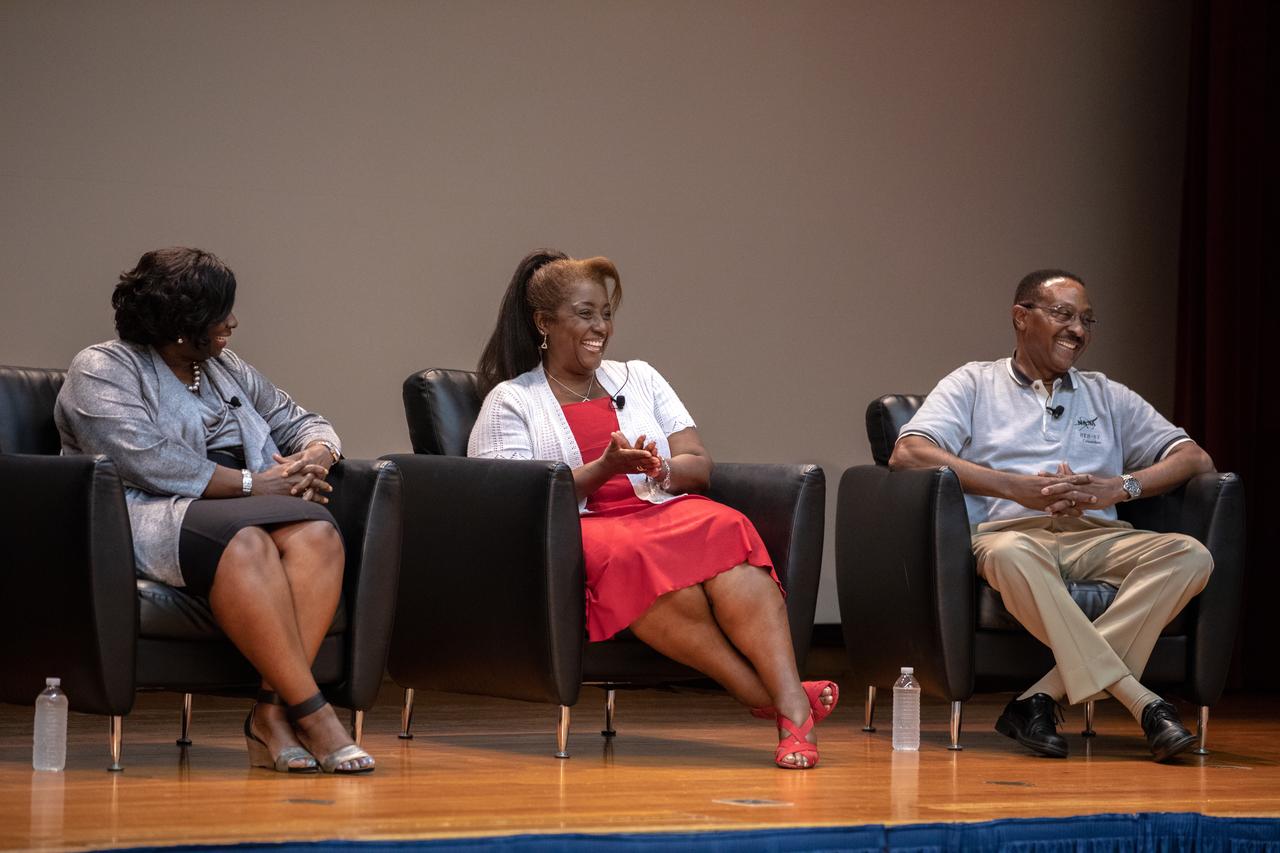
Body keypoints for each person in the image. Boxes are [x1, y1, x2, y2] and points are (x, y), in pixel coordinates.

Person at [469, 249, 838, 769]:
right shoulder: (511, 401)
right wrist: (605, 468)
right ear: (544, 323)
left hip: (662, 509)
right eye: (584, 313)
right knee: (633, 555)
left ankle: (784, 699)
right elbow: (512, 502)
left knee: (728, 525)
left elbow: (699, 464)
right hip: (584, 529)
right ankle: (782, 701)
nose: (600, 327)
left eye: (606, 313)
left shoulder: (638, 377)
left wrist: (660, 470)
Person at [55, 247, 374, 774]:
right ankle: (316, 716)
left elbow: (302, 419)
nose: (232, 322)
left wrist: (318, 453)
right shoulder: (103, 368)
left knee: (319, 534)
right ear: (182, 323)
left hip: (248, 502)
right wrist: (256, 484)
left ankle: (270, 715)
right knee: (245, 542)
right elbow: (147, 461)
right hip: (149, 511)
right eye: (219, 312)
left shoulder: (225, 369)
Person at [890, 269, 1215, 762]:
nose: (1078, 330)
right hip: (1010, 535)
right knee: (1012, 553)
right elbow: (909, 453)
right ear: (1022, 317)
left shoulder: (1106, 394)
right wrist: (1014, 488)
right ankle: (1143, 702)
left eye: (1087, 320)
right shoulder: (974, 382)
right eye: (1064, 315)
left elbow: (1195, 459)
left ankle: (1037, 698)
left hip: (1095, 535)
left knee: (1191, 556)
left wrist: (1119, 487)